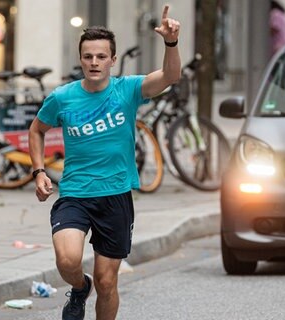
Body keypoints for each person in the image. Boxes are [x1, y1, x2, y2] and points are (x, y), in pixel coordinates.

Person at [28, 5, 180, 320]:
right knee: (68, 261)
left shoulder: (128, 90)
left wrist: (170, 43)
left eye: (101, 57)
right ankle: (79, 288)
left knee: (107, 281)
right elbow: (36, 129)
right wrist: (39, 170)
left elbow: (170, 76)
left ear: (112, 60)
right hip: (75, 193)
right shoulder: (62, 97)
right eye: (88, 57)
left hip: (115, 196)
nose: (94, 62)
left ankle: (93, 291)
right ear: (80, 59)